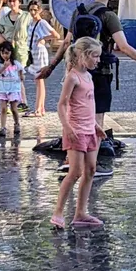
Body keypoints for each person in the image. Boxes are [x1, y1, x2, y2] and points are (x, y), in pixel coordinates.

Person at [38, 0, 136, 165]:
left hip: (76, 69)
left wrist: (51, 67)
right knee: (97, 116)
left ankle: (71, 159)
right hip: (101, 71)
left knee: (75, 112)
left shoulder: (78, 12)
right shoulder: (109, 16)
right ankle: (93, 162)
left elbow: (66, 43)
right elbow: (124, 47)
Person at [50, 36, 107, 229]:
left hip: (89, 130)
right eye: (95, 57)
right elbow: (62, 105)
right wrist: (67, 127)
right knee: (75, 172)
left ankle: (81, 213)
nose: (98, 60)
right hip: (76, 131)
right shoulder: (72, 77)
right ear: (84, 55)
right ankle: (58, 212)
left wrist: (95, 125)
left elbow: (88, 104)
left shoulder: (88, 76)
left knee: (90, 170)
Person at [0, 0, 33, 111]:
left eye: (14, 1)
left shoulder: (26, 16)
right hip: (8, 49)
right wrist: (3, 40)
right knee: (9, 74)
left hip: (21, 48)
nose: (12, 3)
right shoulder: (5, 18)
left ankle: (21, 101)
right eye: (10, 1)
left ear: (19, 2)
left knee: (18, 73)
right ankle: (17, 102)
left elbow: (32, 28)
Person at [25, 0, 60, 117]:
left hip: (40, 53)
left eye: (35, 10)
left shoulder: (42, 23)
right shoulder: (31, 23)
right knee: (38, 81)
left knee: (39, 80)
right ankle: (41, 108)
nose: (33, 12)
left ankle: (38, 109)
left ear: (39, 10)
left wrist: (43, 38)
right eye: (31, 10)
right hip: (33, 52)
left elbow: (56, 35)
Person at [0, 40, 24, 137]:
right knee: (3, 108)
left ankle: (16, 123)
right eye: (3, 53)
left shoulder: (15, 63)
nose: (5, 55)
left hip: (13, 88)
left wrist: (21, 77)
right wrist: (3, 67)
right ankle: (3, 127)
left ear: (11, 53)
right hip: (2, 88)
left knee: (14, 108)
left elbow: (20, 71)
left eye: (7, 53)